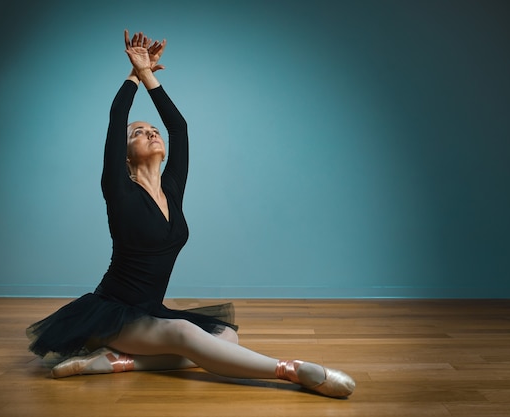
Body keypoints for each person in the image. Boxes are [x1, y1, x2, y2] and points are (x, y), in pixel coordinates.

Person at [26, 30, 355, 399]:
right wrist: (135, 74)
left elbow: (179, 128)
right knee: (185, 336)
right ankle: (289, 370)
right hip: (113, 314)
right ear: (125, 155)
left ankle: (119, 362)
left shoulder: (172, 190)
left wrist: (152, 75)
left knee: (226, 336)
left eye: (153, 131)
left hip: (151, 312)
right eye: (139, 133)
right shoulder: (117, 190)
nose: (151, 133)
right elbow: (117, 115)